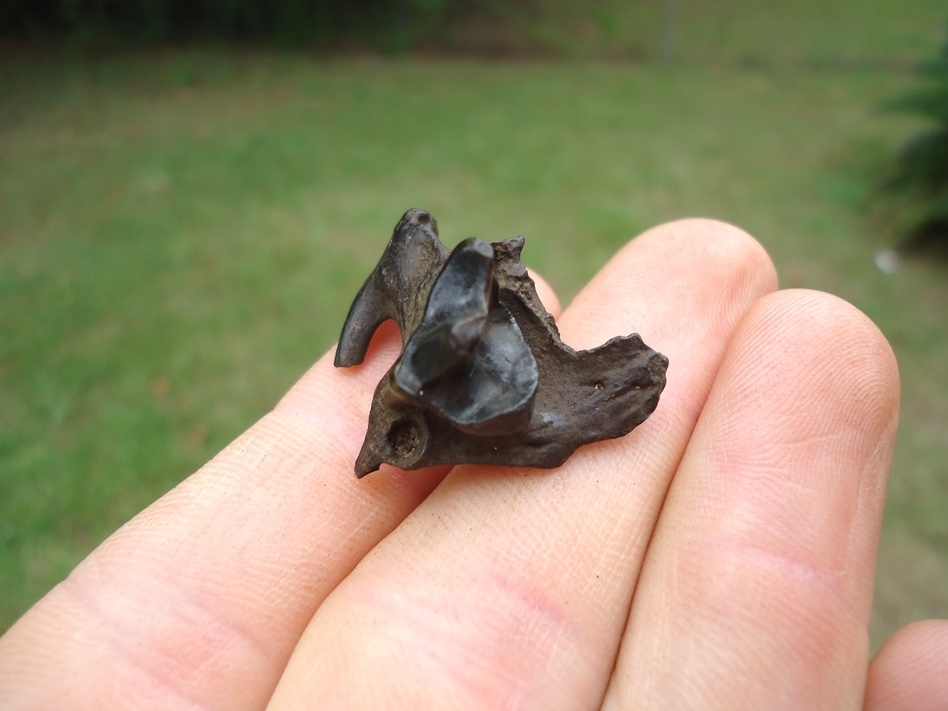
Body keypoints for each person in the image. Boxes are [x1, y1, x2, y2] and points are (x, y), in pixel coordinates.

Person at [0, 220, 944, 709]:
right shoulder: (440, 387)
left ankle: (423, 306)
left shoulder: (491, 373)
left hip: (493, 370)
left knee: (501, 366)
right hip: (466, 368)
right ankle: (412, 306)